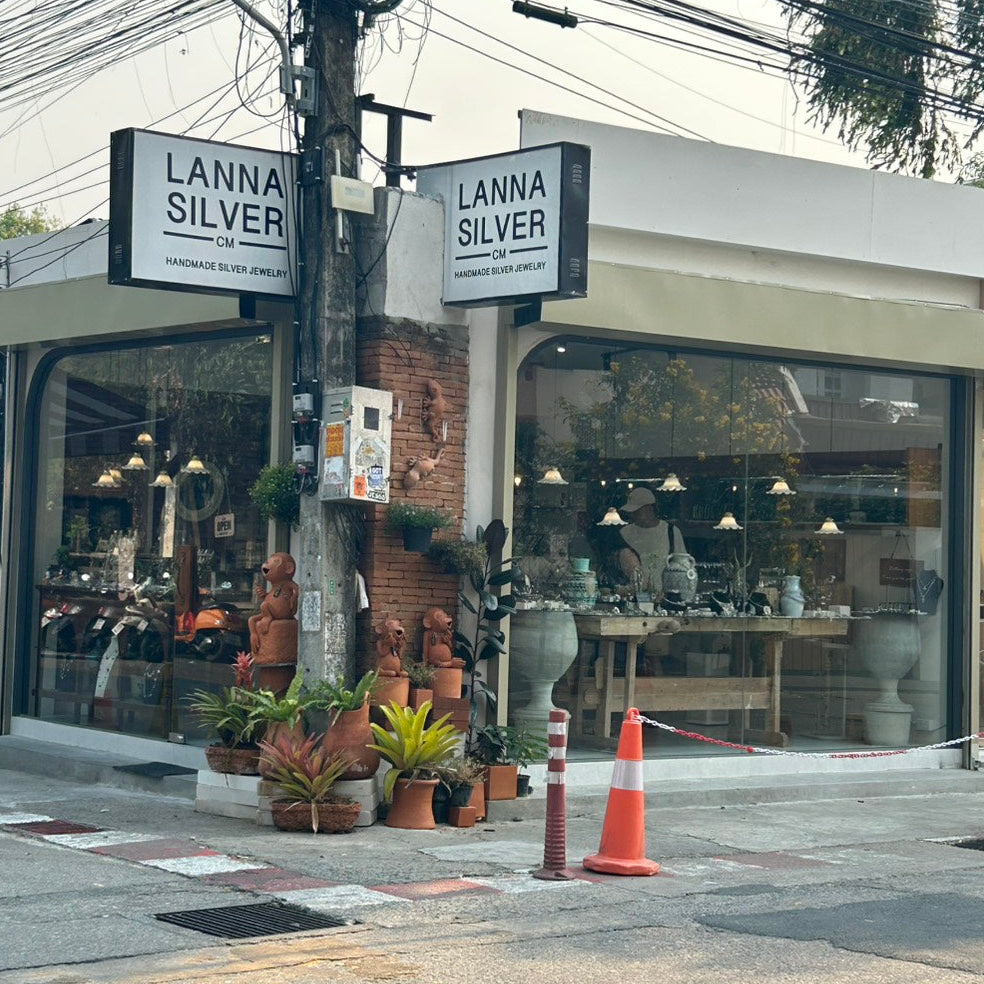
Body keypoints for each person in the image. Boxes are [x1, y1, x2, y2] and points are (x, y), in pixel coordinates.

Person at [617, 487, 686, 597]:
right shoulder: (625, 533)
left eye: (636, 511)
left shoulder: (671, 532)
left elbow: (682, 566)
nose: (633, 515)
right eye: (631, 512)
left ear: (649, 508)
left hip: (665, 597)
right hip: (634, 596)